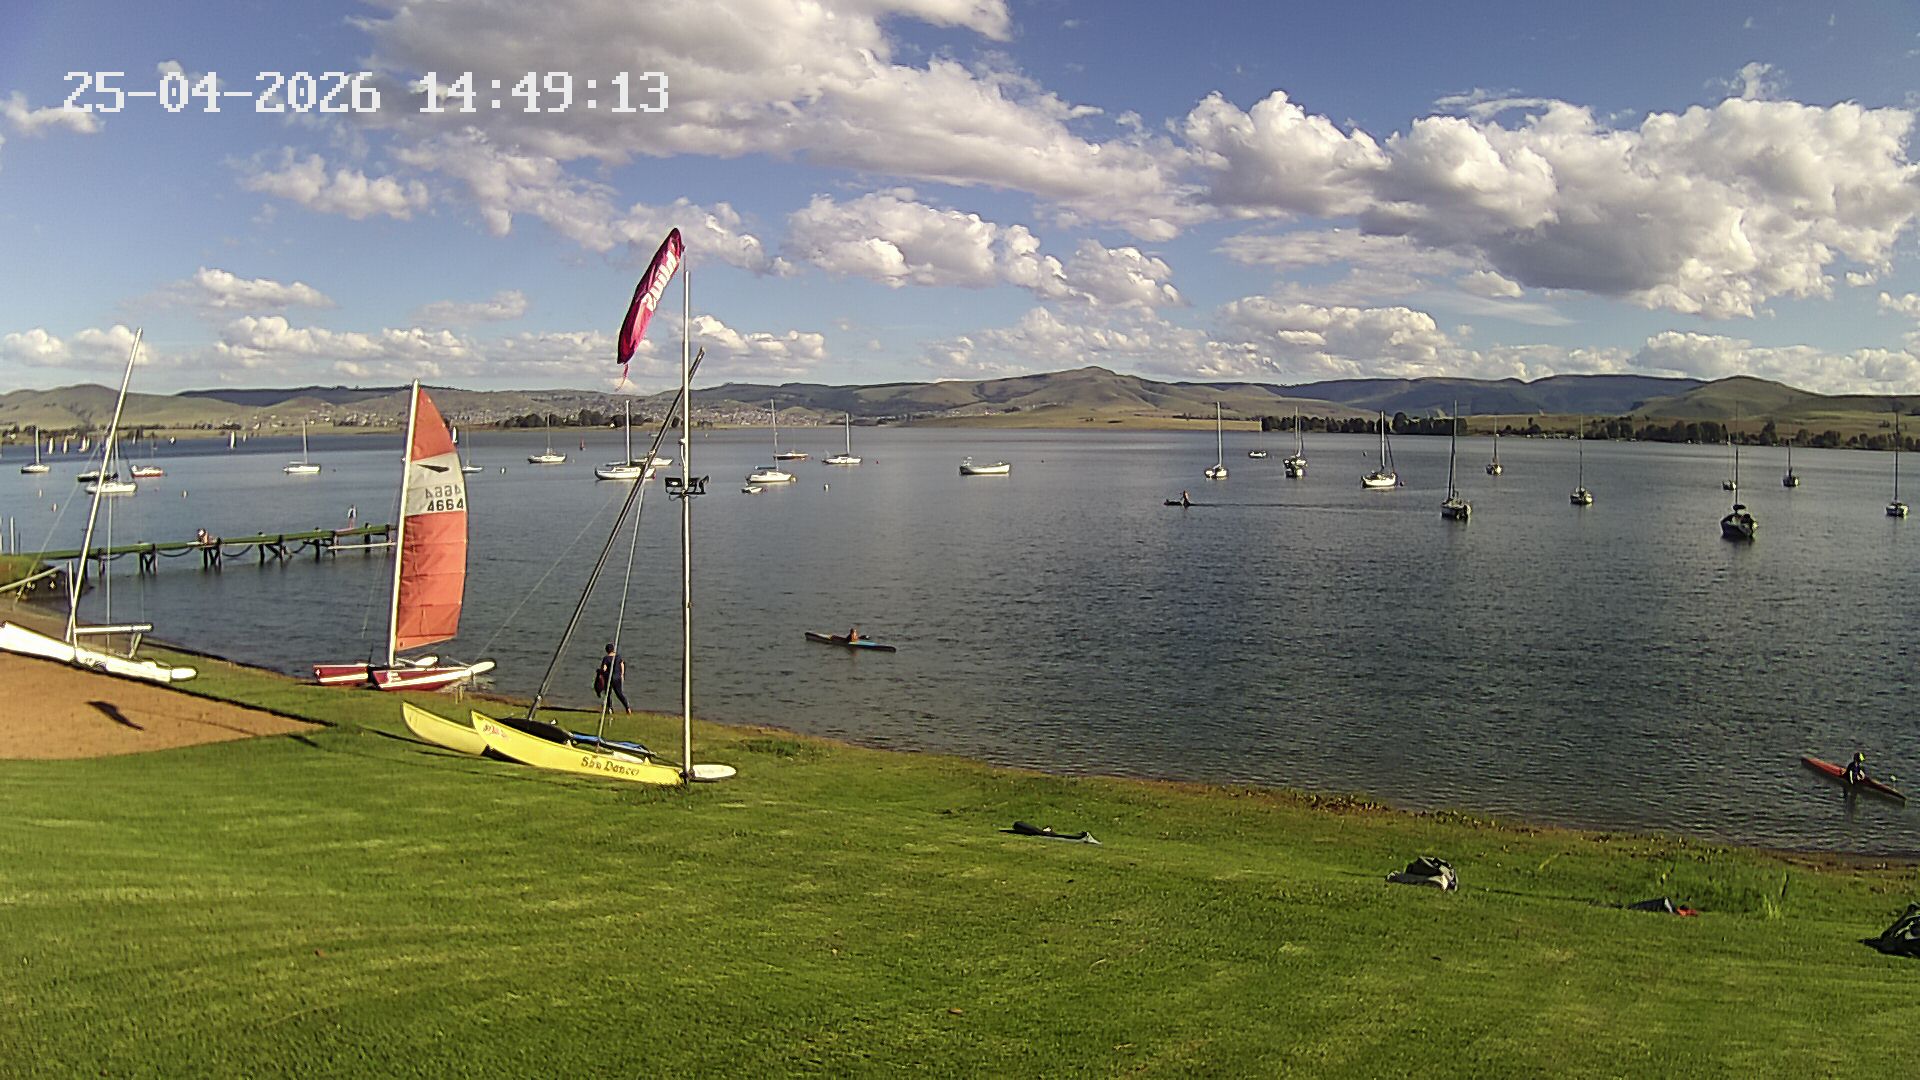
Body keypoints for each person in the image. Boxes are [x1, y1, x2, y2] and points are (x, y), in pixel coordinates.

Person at [594, 643, 629, 712]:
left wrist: (599, 671)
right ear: (613, 649)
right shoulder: (618, 657)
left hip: (609, 678)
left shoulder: (606, 658)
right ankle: (627, 708)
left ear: (607, 650)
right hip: (617, 677)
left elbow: (604, 669)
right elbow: (622, 664)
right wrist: (622, 674)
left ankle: (610, 708)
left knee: (608, 693)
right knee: (619, 693)